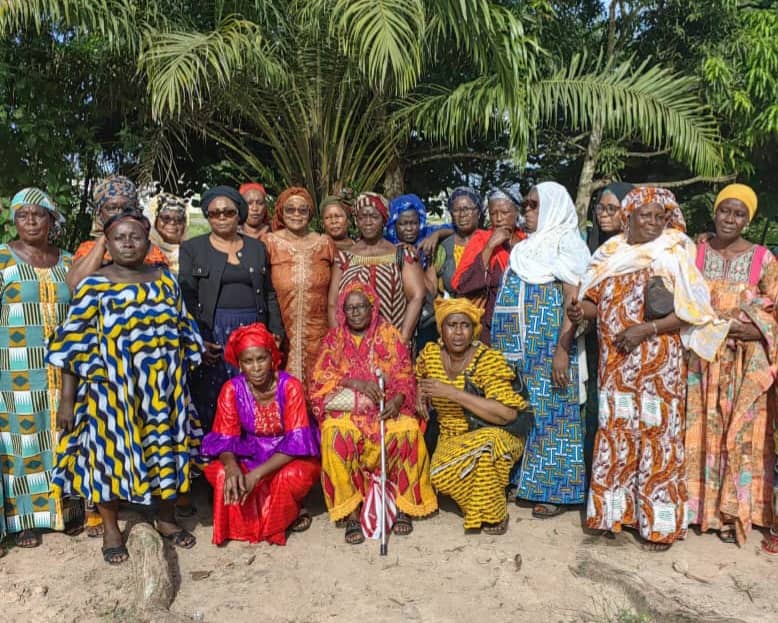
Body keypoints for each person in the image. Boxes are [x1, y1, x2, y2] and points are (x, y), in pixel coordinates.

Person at [569, 187, 729, 552]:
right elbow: (594, 302)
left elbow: (694, 312)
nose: (655, 223)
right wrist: (581, 313)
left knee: (658, 440)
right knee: (617, 436)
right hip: (617, 364)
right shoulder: (609, 255)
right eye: (647, 216)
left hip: (660, 365)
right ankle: (615, 515)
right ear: (629, 217)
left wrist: (647, 329)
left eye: (660, 216)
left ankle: (657, 527)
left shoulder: (675, 253)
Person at [47, 210, 204, 565]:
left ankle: (165, 519)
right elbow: (71, 348)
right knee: (108, 459)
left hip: (164, 391)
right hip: (111, 392)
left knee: (167, 452)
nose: (128, 243)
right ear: (108, 244)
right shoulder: (94, 286)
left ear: (148, 243)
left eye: (135, 236)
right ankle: (112, 529)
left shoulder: (165, 282)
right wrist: (67, 402)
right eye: (120, 238)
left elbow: (183, 331)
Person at [683, 184, 778, 549]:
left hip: (742, 361)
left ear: (748, 220)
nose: (730, 219)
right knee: (702, 431)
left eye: (739, 214)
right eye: (726, 211)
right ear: (716, 211)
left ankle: (733, 512)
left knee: (739, 434)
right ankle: (701, 510)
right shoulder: (696, 252)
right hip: (703, 361)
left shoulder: (762, 258)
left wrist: (756, 327)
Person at [490, 182, 590, 516]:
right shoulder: (526, 247)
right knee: (523, 413)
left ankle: (556, 491)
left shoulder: (567, 245)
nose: (527, 211)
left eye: (534, 205)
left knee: (554, 416)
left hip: (549, 345)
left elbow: (571, 300)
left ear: (552, 207)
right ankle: (525, 480)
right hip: (517, 349)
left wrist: (563, 349)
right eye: (527, 204)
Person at [310, 282, 438, 544]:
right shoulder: (334, 339)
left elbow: (404, 374)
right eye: (350, 308)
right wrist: (356, 383)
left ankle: (403, 506)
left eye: (361, 307)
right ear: (343, 311)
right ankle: (352, 512)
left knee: (408, 431)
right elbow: (321, 379)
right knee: (335, 435)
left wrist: (398, 400)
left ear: (372, 308)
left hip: (386, 406)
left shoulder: (389, 334)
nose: (356, 313)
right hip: (350, 408)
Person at [0, 188, 79, 552]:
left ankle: (63, 509)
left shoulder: (67, 262)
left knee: (64, 437)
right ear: (13, 221)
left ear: (51, 220)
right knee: (23, 441)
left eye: (38, 215)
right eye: (23, 216)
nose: (30, 221)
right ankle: (25, 520)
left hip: (63, 371)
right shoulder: (3, 260)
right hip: (15, 370)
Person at [416, 298, 529, 534]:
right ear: (441, 329)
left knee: (488, 447)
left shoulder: (487, 360)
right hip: (451, 439)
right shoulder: (431, 355)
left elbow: (507, 414)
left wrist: (453, 393)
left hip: (497, 434)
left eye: (465, 325)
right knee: (440, 475)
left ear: (473, 330)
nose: (458, 332)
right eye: (452, 325)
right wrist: (419, 392)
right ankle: (484, 503)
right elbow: (417, 376)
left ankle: (494, 514)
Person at [201, 323, 320, 546]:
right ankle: (247, 526)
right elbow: (225, 438)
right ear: (239, 364)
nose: (256, 367)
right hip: (250, 453)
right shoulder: (231, 389)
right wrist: (232, 466)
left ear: (272, 357)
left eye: (261, 359)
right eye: (248, 361)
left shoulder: (290, 387)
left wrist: (255, 476)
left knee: (292, 477)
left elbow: (296, 443)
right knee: (220, 473)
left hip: (287, 457)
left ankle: (285, 515)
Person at [179, 185, 284, 430]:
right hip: (213, 332)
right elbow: (187, 298)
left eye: (228, 212)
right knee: (213, 394)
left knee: (254, 391)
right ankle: (217, 452)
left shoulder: (257, 248)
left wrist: (275, 331)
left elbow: (269, 292)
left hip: (253, 330)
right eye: (214, 213)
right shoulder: (193, 249)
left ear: (239, 214)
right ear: (207, 216)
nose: (222, 217)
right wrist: (198, 340)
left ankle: (252, 448)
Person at [583, 182, 634, 477]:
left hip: (629, 347)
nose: (603, 214)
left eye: (611, 209)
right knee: (596, 412)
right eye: (600, 208)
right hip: (593, 343)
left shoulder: (642, 250)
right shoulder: (591, 246)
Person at [328, 192, 426, 344]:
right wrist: (339, 341)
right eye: (362, 217)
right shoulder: (343, 259)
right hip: (352, 346)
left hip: (392, 345)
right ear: (356, 221)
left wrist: (403, 339)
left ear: (384, 219)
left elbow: (417, 296)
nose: (368, 222)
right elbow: (333, 303)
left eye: (374, 217)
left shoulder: (402, 255)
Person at [261, 187, 335, 384]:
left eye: (302, 210)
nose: (296, 214)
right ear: (281, 212)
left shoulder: (324, 243)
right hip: (281, 329)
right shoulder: (269, 242)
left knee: (320, 383)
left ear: (310, 213)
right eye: (290, 209)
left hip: (319, 333)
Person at [66, 175, 168, 291]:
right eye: (111, 208)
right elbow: (75, 286)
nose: (119, 214)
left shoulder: (149, 249)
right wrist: (103, 242)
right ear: (100, 214)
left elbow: (165, 288)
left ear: (136, 210)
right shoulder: (89, 249)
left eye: (126, 208)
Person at [452, 185, 526, 343]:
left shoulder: (527, 244)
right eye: (493, 213)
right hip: (490, 328)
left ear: (516, 212)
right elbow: (462, 284)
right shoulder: (481, 240)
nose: (498, 219)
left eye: (504, 213)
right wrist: (490, 246)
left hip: (524, 325)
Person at [432, 187, 487, 300]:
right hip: (454, 312)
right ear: (452, 215)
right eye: (456, 210)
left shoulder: (489, 242)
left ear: (478, 212)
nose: (462, 214)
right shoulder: (444, 247)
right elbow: (432, 283)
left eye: (467, 209)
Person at [385, 193, 451, 270]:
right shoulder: (386, 242)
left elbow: (456, 229)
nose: (409, 228)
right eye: (403, 224)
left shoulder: (427, 233)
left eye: (414, 223)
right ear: (394, 225)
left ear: (420, 222)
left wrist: (437, 234)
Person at [148, 192, 189, 274]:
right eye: (166, 218)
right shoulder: (143, 252)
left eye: (179, 219)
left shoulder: (192, 255)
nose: (172, 222)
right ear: (155, 221)